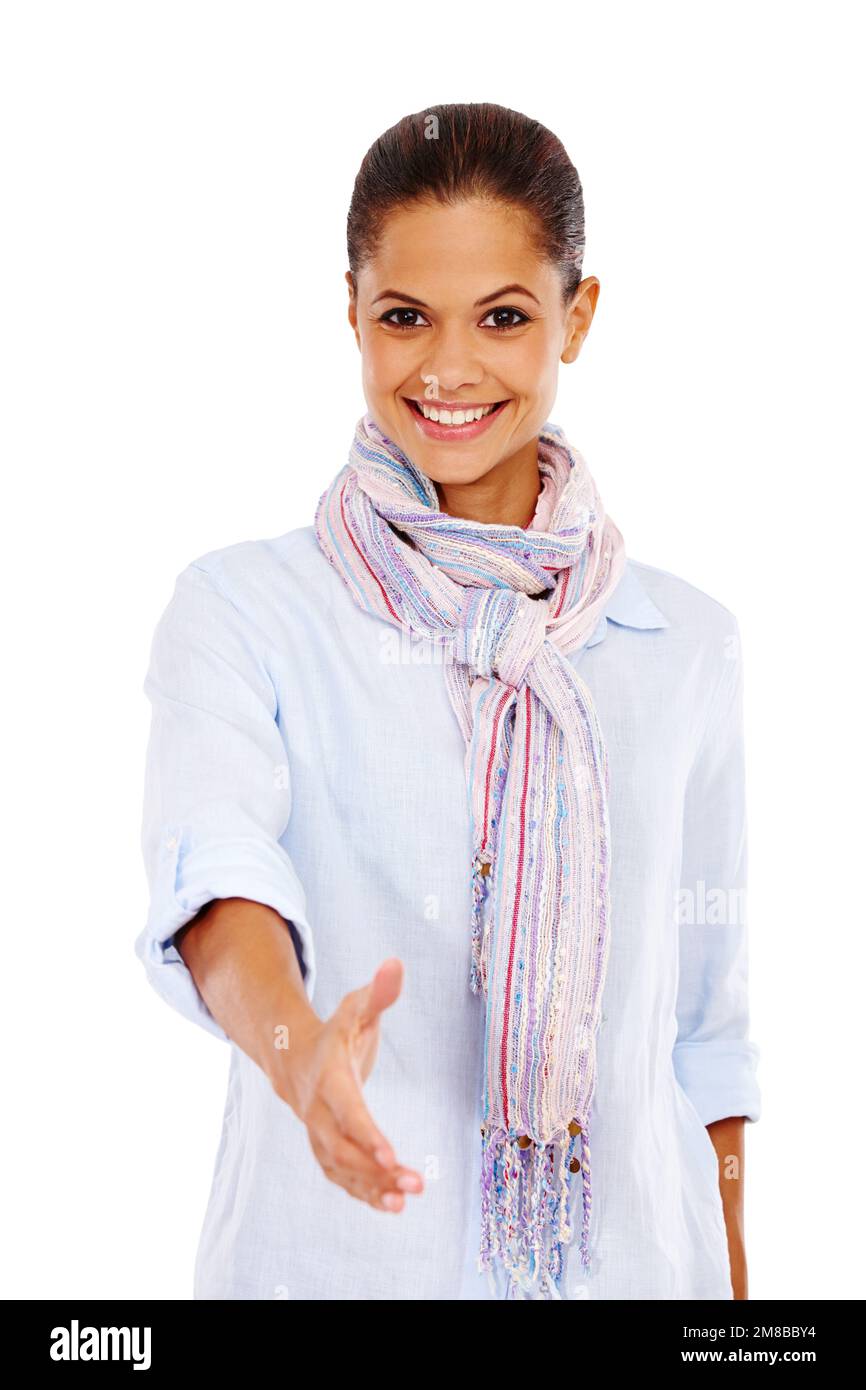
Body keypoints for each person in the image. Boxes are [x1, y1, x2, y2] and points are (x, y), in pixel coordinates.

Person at [136, 102, 762, 1301]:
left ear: (577, 318)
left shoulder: (684, 644)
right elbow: (214, 879)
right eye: (405, 316)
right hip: (331, 1270)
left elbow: (705, 1037)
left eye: (505, 317)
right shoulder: (247, 611)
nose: (449, 368)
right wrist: (296, 1049)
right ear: (353, 313)